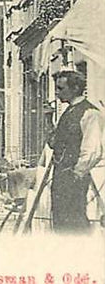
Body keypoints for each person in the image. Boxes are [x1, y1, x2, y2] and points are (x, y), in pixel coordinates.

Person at [48, 70, 103, 232]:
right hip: (60, 175)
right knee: (60, 220)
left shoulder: (90, 113)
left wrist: (76, 173)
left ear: (76, 88)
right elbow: (55, 143)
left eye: (60, 88)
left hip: (74, 178)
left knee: (74, 222)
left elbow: (93, 150)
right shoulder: (68, 112)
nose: (57, 93)